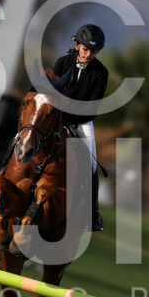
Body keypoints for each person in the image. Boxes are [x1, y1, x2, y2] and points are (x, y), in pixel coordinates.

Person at [51, 24, 108, 232]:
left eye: (94, 51)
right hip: (55, 117)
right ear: (77, 45)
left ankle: (92, 214)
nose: (89, 54)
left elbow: (91, 108)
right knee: (25, 137)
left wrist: (69, 118)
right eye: (86, 49)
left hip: (82, 122)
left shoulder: (101, 73)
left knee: (92, 166)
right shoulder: (62, 63)